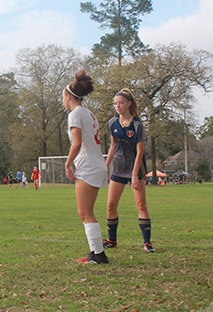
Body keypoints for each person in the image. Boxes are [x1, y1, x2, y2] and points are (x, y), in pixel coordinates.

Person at [63, 69, 109, 265]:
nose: (63, 102)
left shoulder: (75, 114)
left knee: (85, 212)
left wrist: (67, 163)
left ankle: (98, 255)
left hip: (88, 167)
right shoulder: (89, 113)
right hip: (97, 165)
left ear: (68, 96)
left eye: (63, 98)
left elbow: (77, 143)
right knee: (87, 211)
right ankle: (95, 252)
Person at [104, 88, 156, 253]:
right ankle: (112, 240)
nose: (117, 106)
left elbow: (140, 152)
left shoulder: (137, 125)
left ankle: (147, 243)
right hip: (118, 169)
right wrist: (106, 166)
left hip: (135, 169)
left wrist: (134, 174)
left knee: (141, 205)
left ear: (129, 104)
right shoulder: (112, 123)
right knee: (111, 205)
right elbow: (113, 146)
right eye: (115, 104)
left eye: (121, 103)